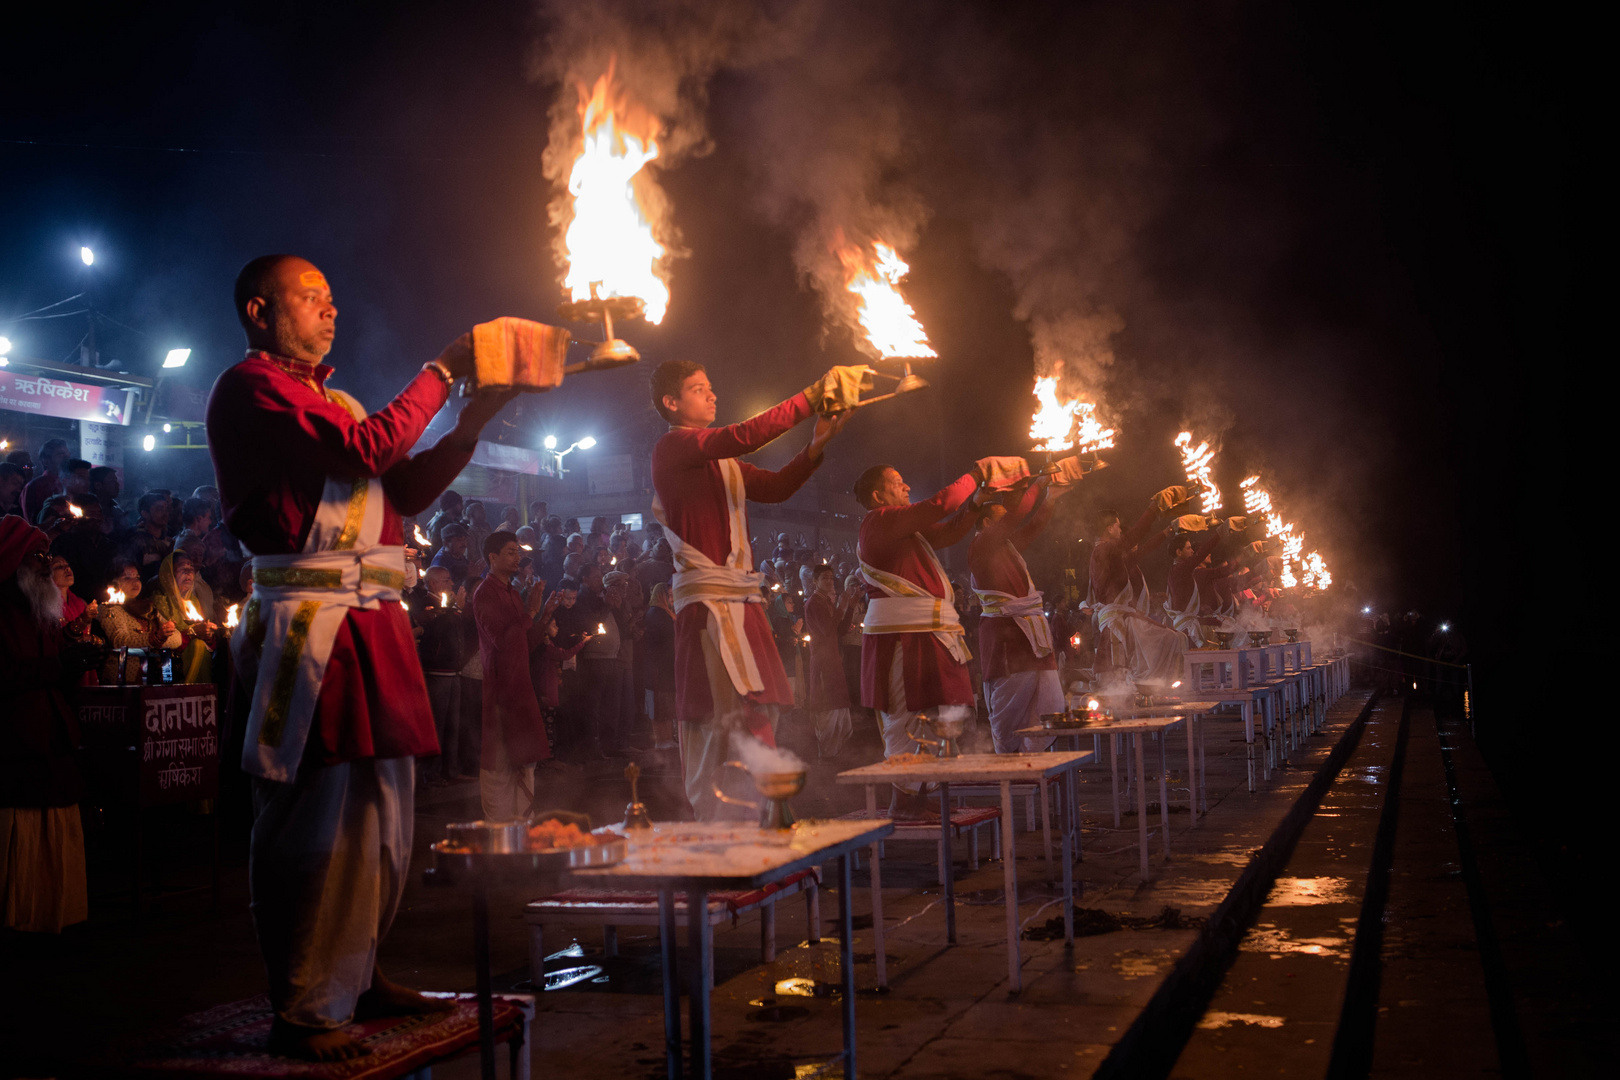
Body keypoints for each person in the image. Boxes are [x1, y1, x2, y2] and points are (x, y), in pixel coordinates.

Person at [206, 252, 518, 1060]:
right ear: (258, 312)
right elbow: (367, 453)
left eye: (332, 300)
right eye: (311, 299)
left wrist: (473, 421)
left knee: (385, 818)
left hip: (369, 621)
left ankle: (362, 972)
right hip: (311, 626)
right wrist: (442, 369)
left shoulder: (333, 399)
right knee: (317, 817)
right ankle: (307, 1001)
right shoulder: (251, 387)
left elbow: (399, 493)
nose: (329, 311)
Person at [648, 359, 850, 820]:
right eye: (700, 389)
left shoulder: (726, 464)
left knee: (765, 709)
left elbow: (777, 488)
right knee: (715, 719)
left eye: (711, 386)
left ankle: (759, 811)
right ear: (672, 402)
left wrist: (816, 446)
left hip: (743, 602)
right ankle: (723, 824)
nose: (713, 395)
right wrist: (808, 398)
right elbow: (740, 435)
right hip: (708, 607)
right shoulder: (672, 446)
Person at [855, 458, 1022, 812]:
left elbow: (948, 531)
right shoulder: (880, 521)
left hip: (925, 632)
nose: (906, 487)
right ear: (877, 495)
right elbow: (939, 506)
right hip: (901, 636)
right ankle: (902, 798)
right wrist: (978, 474)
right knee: (905, 717)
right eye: (897, 481)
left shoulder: (902, 529)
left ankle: (922, 792)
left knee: (933, 715)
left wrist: (977, 500)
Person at [0, 516, 89, 933]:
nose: (45, 563)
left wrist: (73, 656)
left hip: (48, 733)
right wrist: (57, 667)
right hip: (15, 738)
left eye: (46, 555)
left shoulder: (37, 607)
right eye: (36, 555)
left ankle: (52, 913)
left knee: (53, 818)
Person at [969, 459, 1090, 753]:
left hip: (1033, 640)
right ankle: (1009, 770)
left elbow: (1034, 525)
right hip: (1008, 641)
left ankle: (1035, 767)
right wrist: (1039, 483)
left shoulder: (1006, 546)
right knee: (1008, 717)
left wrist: (1052, 496)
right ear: (987, 524)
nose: (1010, 524)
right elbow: (1017, 517)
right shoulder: (981, 547)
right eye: (1002, 519)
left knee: (1050, 707)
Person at [472, 531, 551, 818]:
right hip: (500, 689)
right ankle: (502, 829)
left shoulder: (512, 593)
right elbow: (503, 642)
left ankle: (522, 827)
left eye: (517, 552)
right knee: (501, 760)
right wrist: (530, 612)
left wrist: (541, 616)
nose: (517, 557)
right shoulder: (484, 593)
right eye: (510, 552)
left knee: (525, 756)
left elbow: (525, 643)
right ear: (492, 557)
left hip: (520, 685)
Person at [1087, 487, 1191, 686]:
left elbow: (1142, 550)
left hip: (1125, 618)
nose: (1120, 530)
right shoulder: (1104, 550)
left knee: (1173, 638)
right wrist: (1153, 509)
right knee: (1169, 640)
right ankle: (1149, 687)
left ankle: (1155, 686)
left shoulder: (1111, 553)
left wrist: (1167, 531)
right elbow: (1134, 536)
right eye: (1117, 527)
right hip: (1117, 622)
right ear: (1109, 529)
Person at [96, 559, 182, 685]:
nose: (135, 582)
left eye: (137, 577)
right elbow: (120, 640)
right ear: (113, 584)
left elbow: (177, 638)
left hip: (154, 677)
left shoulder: (147, 608)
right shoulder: (109, 608)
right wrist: (155, 638)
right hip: (124, 679)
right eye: (127, 578)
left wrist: (160, 638)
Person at [803, 564, 857, 759]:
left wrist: (850, 607)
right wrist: (842, 606)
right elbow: (827, 630)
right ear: (815, 581)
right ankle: (826, 754)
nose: (829, 581)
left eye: (831, 578)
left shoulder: (825, 602)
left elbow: (839, 630)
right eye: (824, 578)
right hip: (823, 662)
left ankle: (837, 754)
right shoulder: (814, 603)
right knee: (827, 705)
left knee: (838, 703)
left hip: (833, 659)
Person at [150, 549, 220, 684]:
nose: (188, 573)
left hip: (198, 658)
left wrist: (207, 635)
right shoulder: (159, 601)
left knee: (200, 644)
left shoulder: (194, 601)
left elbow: (210, 643)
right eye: (182, 569)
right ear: (170, 575)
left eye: (191, 569)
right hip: (169, 662)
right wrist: (193, 633)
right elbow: (164, 640)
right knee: (198, 645)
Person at [641, 582, 679, 750]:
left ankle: (667, 738)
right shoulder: (656, 613)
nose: (671, 599)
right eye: (668, 596)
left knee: (666, 702)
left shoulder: (665, 613)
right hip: (657, 666)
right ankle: (661, 739)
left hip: (665, 665)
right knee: (658, 704)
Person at [21, 438, 69, 525]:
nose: (66, 457)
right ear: (45, 461)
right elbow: (30, 521)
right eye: (60, 454)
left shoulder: (69, 482)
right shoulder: (35, 486)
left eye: (67, 454)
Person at [88, 466, 125, 532]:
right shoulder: (87, 510)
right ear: (98, 485)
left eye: (116, 481)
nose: (117, 485)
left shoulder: (117, 510)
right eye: (112, 481)